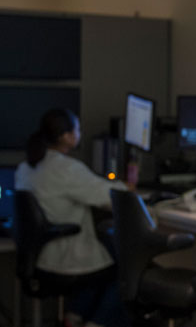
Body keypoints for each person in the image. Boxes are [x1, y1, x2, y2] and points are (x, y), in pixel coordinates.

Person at [15, 109, 129, 327]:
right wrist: (127, 186)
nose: (80, 133)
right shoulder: (67, 169)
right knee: (125, 270)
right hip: (66, 260)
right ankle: (97, 322)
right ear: (65, 136)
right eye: (77, 129)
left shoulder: (25, 168)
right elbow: (111, 196)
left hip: (38, 259)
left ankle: (75, 316)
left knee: (107, 253)